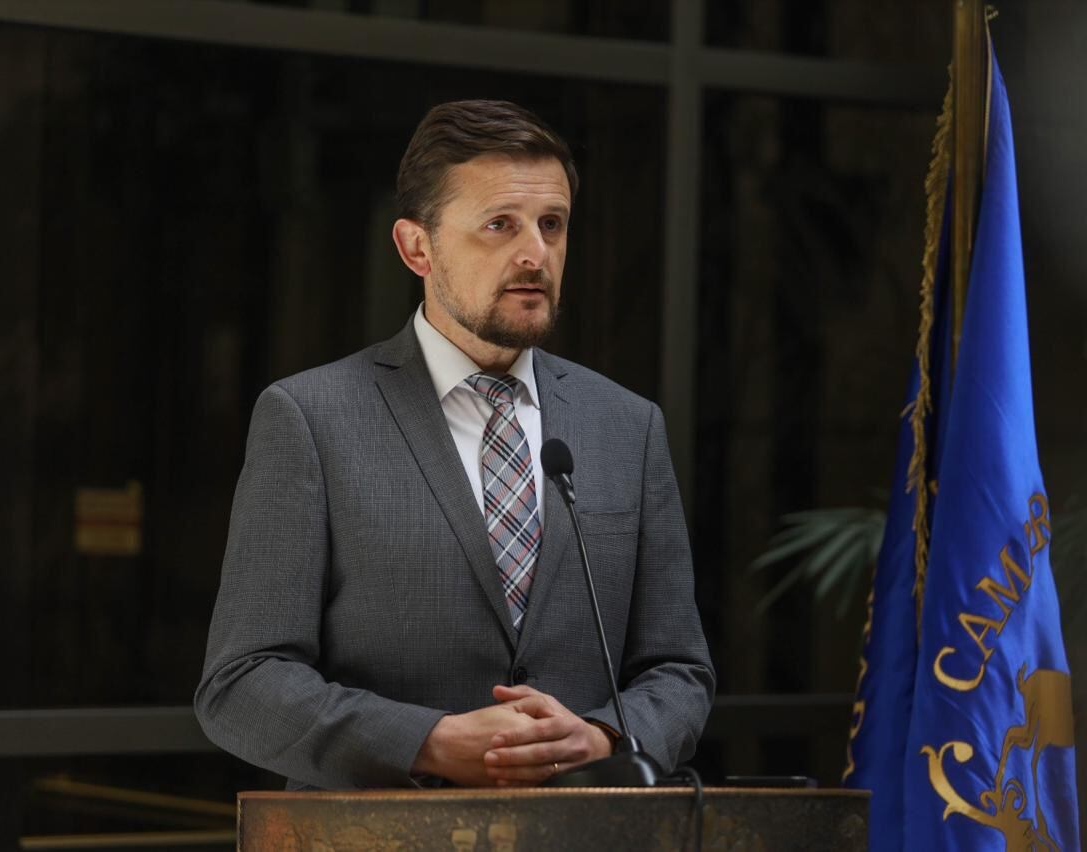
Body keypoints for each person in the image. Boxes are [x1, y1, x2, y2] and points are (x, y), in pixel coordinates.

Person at [195, 99, 714, 790]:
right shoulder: (311, 419)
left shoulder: (627, 425)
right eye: (500, 225)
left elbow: (679, 670)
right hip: (383, 831)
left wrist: (604, 737)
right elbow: (241, 684)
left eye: (551, 224)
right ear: (417, 247)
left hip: (581, 830)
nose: (535, 254)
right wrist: (429, 742)